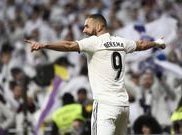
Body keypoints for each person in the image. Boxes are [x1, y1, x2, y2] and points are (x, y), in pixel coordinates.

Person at [25, 14, 166, 135]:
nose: (84, 29)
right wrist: (157, 43)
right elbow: (141, 45)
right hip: (123, 105)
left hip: (105, 106)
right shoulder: (121, 41)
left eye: (87, 26)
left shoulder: (94, 42)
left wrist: (44, 45)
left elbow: (68, 45)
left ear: (99, 26)